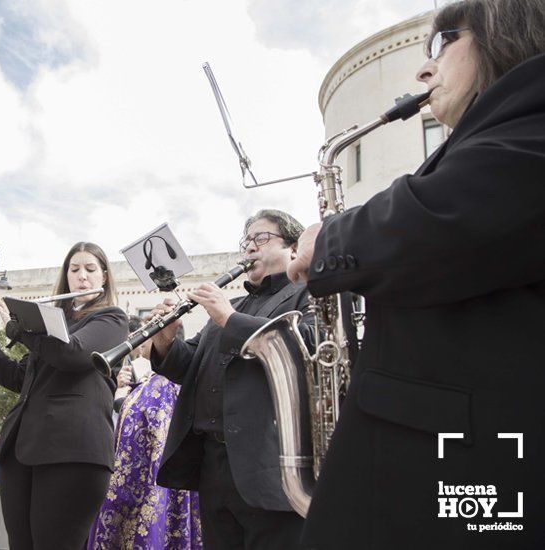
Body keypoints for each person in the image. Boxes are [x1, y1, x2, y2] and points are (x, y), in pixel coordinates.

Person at [287, 1, 545, 548]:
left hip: (470, 464)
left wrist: (328, 239)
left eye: (442, 43)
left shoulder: (530, 122)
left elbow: (445, 220)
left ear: (506, 33)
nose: (423, 70)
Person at [148, 209, 312, 549]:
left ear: (293, 249)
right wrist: (165, 338)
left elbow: (304, 347)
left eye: (262, 238)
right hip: (215, 465)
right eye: (246, 241)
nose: (250, 248)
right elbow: (188, 366)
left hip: (271, 463)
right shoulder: (231, 305)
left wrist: (230, 318)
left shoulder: (305, 294)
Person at [0, 242, 128, 550]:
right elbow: (18, 377)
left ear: (105, 277)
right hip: (25, 449)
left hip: (74, 453)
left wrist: (21, 328)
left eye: (91, 270)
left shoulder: (112, 319)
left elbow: (75, 355)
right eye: (74, 270)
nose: (82, 277)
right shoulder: (52, 325)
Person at [88, 324, 201, 549]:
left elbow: (159, 440)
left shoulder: (165, 385)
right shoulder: (149, 381)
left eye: (146, 336)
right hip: (130, 483)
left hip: (149, 487)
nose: (139, 342)